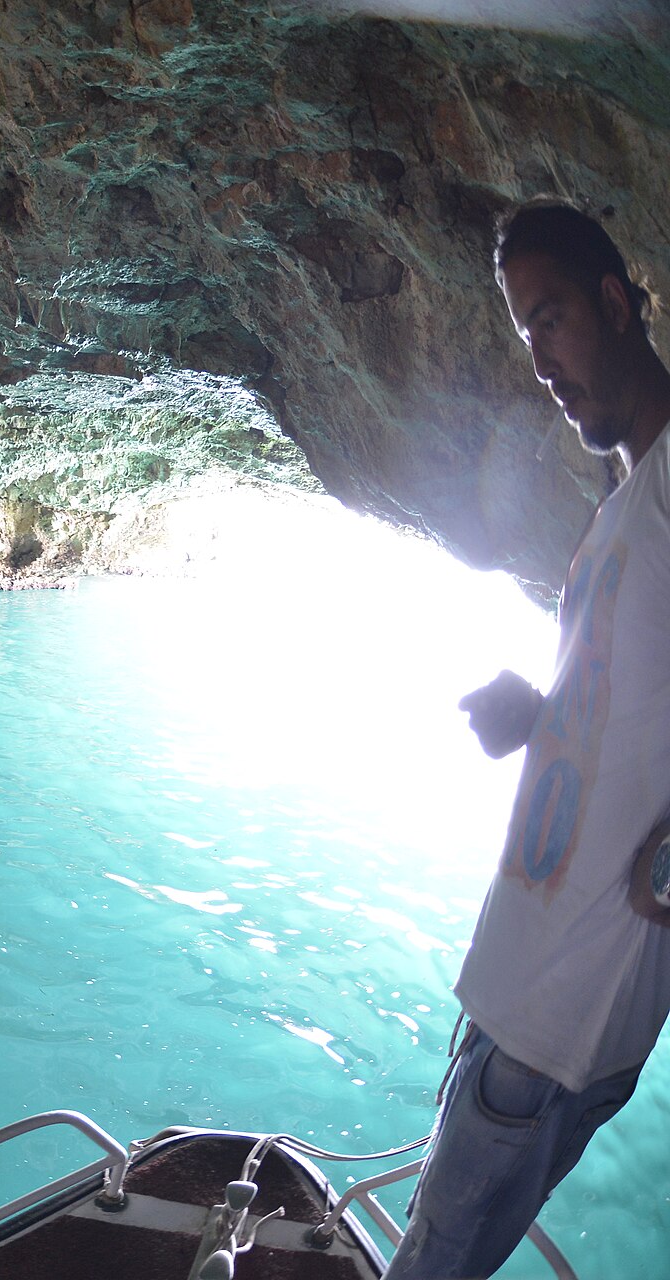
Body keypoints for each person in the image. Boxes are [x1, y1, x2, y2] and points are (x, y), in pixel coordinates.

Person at [384, 201, 670, 1280]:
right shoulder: (631, 495)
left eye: (550, 319)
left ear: (613, 299)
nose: (542, 360)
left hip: (565, 1007)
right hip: (521, 990)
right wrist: (540, 716)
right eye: (523, 335)